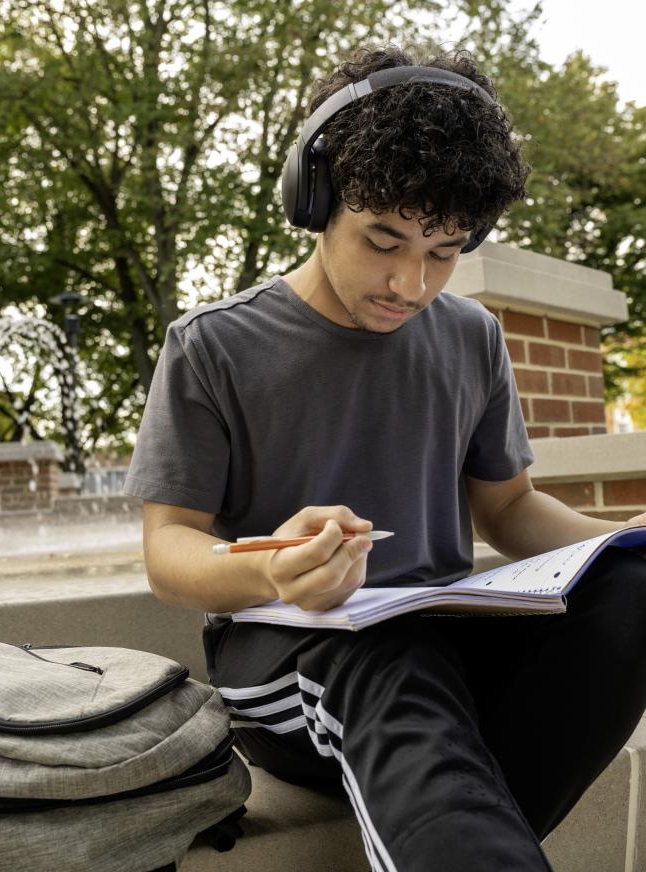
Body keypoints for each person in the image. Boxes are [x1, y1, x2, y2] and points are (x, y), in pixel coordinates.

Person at [123, 44, 646, 872]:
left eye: (444, 253)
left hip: (447, 641)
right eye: (384, 238)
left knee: (634, 590)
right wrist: (275, 569)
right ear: (315, 201)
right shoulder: (213, 345)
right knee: (388, 654)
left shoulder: (472, 338)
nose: (410, 282)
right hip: (289, 650)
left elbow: (508, 512)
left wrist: (624, 536)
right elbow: (167, 552)